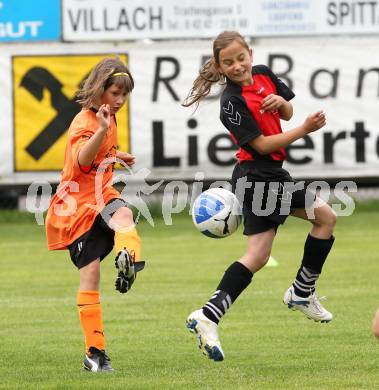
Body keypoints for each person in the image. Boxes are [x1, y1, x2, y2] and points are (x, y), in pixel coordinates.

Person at [182, 31, 336, 362]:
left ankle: (213, 314)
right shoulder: (231, 103)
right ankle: (297, 293)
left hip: (272, 176)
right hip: (257, 178)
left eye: (241, 58)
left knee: (263, 252)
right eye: (229, 62)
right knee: (317, 222)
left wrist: (282, 104)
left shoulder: (265, 73)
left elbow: (287, 112)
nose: (237, 66)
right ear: (220, 67)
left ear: (250, 53)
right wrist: (305, 130)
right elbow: (263, 145)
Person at [45, 57, 145, 372]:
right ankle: (94, 353)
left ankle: (128, 261)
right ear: (100, 89)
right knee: (90, 275)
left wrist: (116, 155)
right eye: (114, 93)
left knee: (125, 215)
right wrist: (102, 132)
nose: (119, 101)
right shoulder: (85, 122)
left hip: (102, 196)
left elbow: (100, 155)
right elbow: (84, 161)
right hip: (76, 208)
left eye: (124, 95)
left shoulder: (107, 119)